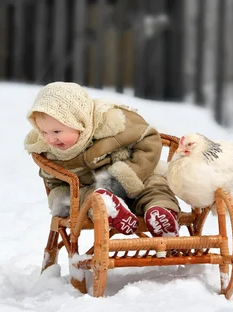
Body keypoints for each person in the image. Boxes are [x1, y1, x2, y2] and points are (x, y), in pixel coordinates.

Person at [24, 82, 181, 237]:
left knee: (154, 185)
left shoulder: (112, 122)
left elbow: (149, 140)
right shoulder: (50, 152)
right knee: (87, 199)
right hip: (95, 189)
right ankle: (109, 210)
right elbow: (56, 184)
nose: (50, 139)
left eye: (56, 131)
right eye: (44, 132)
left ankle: (161, 214)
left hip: (135, 175)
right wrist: (71, 197)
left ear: (79, 122)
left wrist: (130, 173)